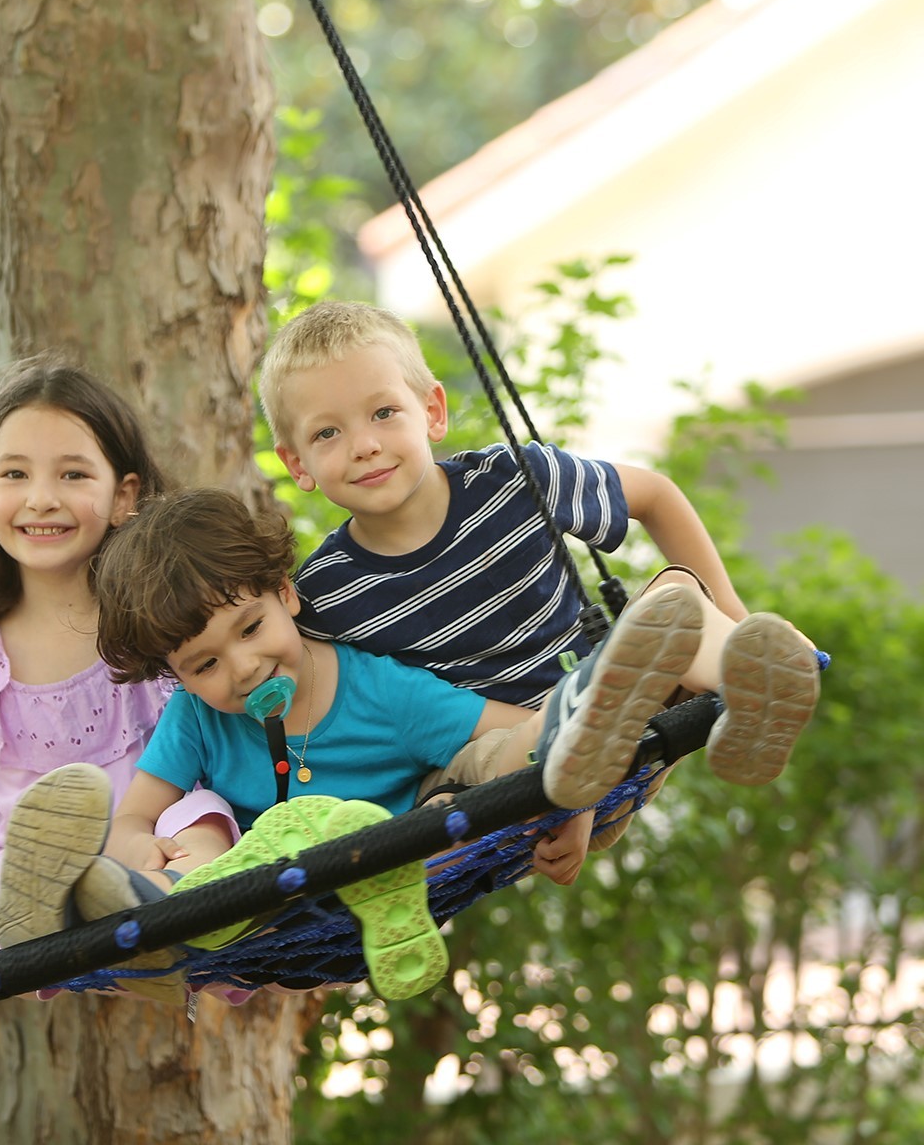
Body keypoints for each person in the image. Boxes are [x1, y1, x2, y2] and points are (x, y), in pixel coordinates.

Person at [75, 487, 708, 999]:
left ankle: (599, 693)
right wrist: (138, 846)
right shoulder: (195, 718)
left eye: (251, 628)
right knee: (192, 818)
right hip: (267, 901)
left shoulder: (379, 690)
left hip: (404, 860)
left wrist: (574, 794)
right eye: (203, 665)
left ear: (286, 594)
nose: (241, 669)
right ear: (176, 675)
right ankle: (170, 903)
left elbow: (502, 726)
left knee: (494, 760)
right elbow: (134, 814)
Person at [256, 300, 820, 843]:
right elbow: (336, 715)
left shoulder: (516, 481)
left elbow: (655, 494)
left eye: (384, 413)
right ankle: (589, 752)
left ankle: (752, 689)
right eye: (327, 433)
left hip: (622, 719)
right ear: (296, 462)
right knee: (439, 790)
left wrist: (734, 612)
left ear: (432, 411)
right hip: (502, 789)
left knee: (676, 598)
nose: (364, 445)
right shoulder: (325, 596)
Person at [0, 361, 238, 1003]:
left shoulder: (163, 620)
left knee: (208, 819)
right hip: (28, 872)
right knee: (2, 886)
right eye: (15, 474)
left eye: (73, 474)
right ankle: (76, 928)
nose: (41, 498)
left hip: (153, 852)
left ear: (124, 496)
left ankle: (155, 931)